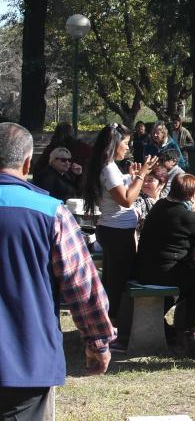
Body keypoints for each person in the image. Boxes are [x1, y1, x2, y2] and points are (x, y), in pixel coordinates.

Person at [0, 123, 113, 420]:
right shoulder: (51, 213)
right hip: (26, 363)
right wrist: (97, 341)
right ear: (27, 163)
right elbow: (81, 285)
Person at [80, 124, 158, 345]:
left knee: (114, 280)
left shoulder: (110, 167)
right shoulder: (108, 169)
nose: (127, 147)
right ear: (115, 144)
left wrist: (131, 177)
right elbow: (126, 200)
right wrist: (141, 175)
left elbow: (119, 193)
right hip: (116, 232)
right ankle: (110, 330)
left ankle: (108, 325)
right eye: (125, 143)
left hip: (115, 230)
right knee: (117, 283)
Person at [134, 173, 195, 350]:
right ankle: (188, 331)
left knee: (194, 275)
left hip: (146, 269)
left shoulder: (161, 205)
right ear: (191, 195)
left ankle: (178, 327)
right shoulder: (183, 214)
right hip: (164, 272)